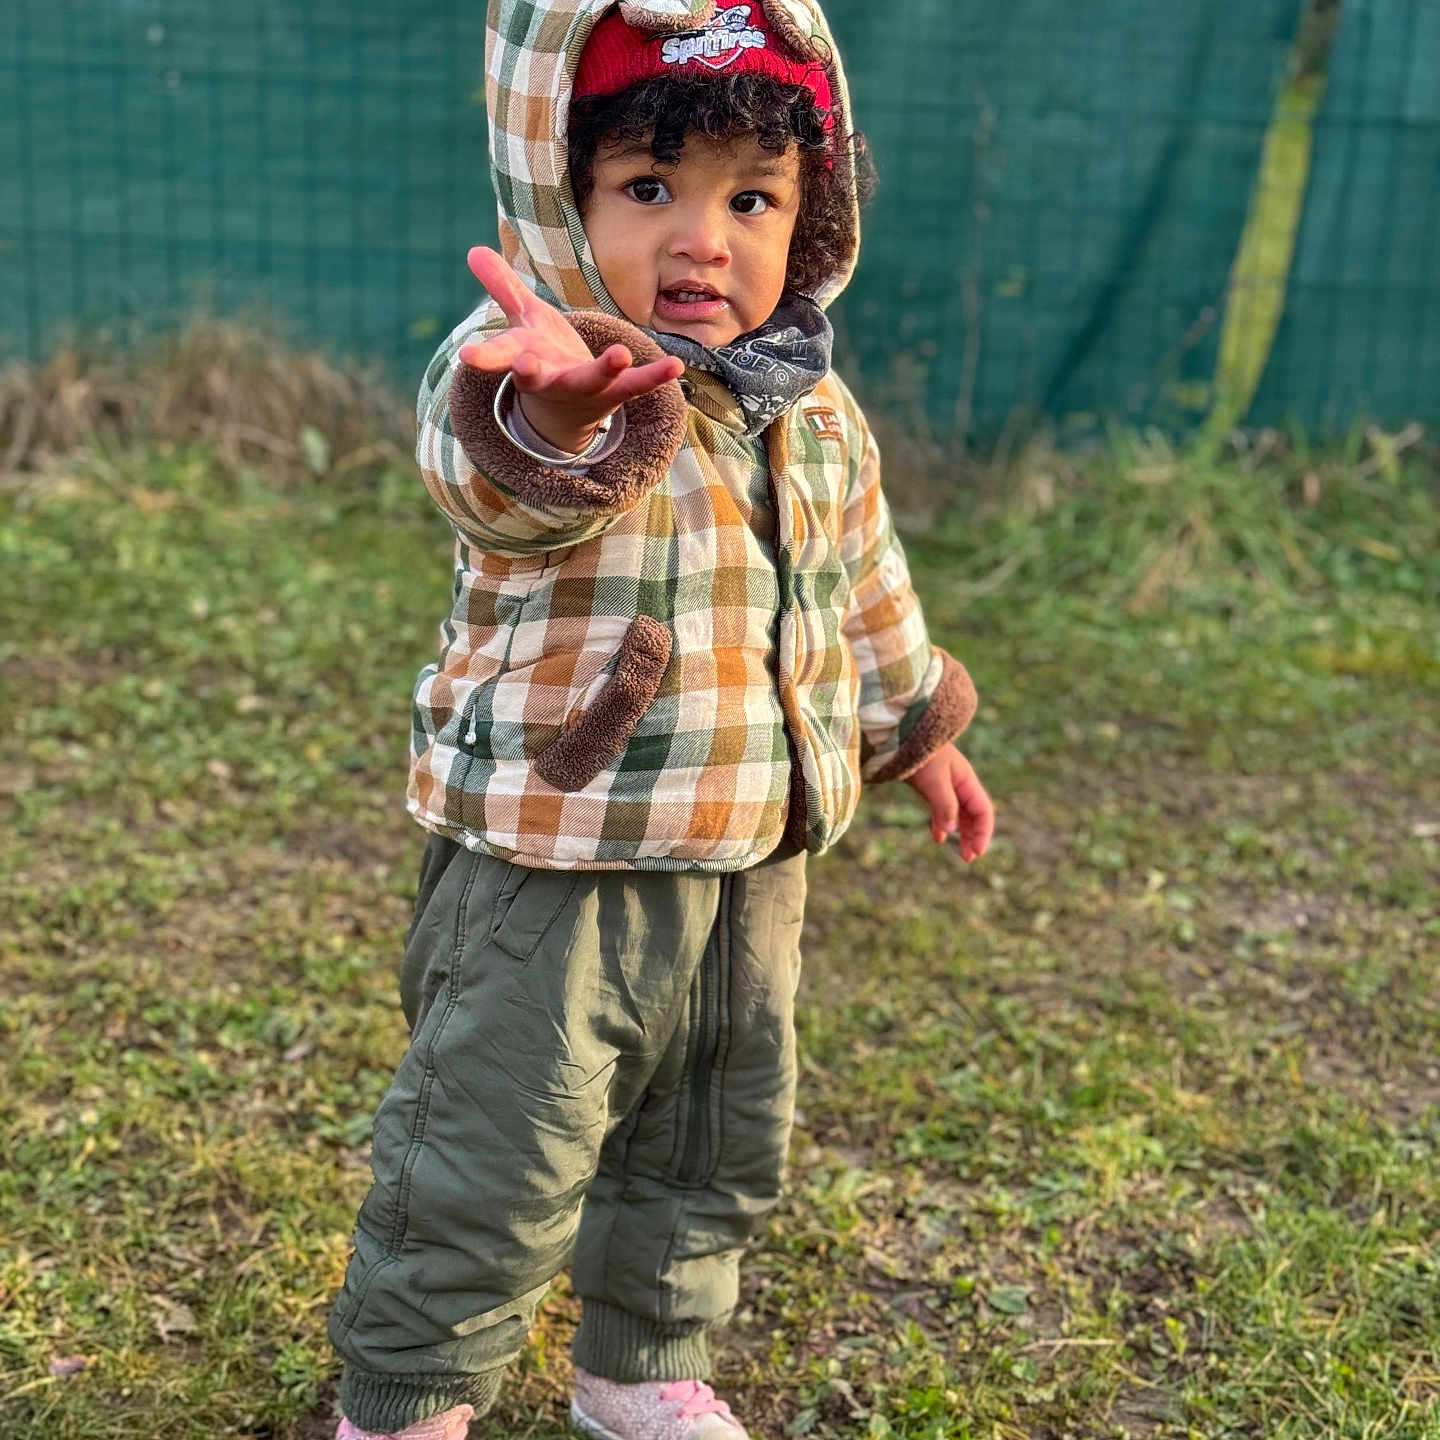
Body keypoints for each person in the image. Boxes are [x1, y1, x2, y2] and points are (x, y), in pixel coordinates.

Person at [327, 2, 994, 1437]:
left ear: (813, 218)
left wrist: (917, 723)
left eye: (751, 200)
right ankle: (408, 1398)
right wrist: (560, 417)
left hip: (753, 851)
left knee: (711, 1141)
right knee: (493, 1151)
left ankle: (640, 1369)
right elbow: (489, 481)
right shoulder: (532, 364)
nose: (702, 239)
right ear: (564, 199)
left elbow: (861, 575)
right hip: (562, 854)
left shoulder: (812, 404)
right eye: (649, 188)